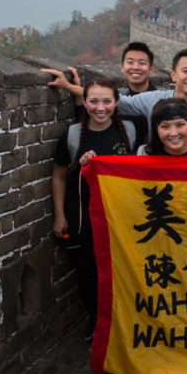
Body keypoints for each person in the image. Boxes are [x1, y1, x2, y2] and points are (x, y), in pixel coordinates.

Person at [51, 78, 136, 343]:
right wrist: (60, 215)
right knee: (88, 271)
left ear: (117, 102)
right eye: (94, 101)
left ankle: (125, 319)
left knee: (123, 268)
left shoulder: (132, 131)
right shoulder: (73, 135)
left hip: (123, 214)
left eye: (107, 101)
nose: (101, 107)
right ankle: (95, 318)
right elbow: (59, 176)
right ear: (84, 102)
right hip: (83, 215)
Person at [44, 49, 187, 135]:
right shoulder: (154, 100)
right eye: (186, 71)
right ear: (173, 75)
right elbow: (110, 100)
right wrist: (68, 86)